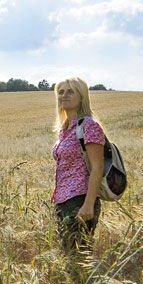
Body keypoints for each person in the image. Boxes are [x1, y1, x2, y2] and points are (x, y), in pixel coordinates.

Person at [51, 77, 106, 252]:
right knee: (68, 257)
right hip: (62, 201)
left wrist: (89, 204)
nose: (64, 95)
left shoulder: (88, 126)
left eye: (71, 91)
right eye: (61, 92)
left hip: (80, 200)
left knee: (79, 256)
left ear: (81, 96)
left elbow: (98, 167)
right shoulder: (64, 129)